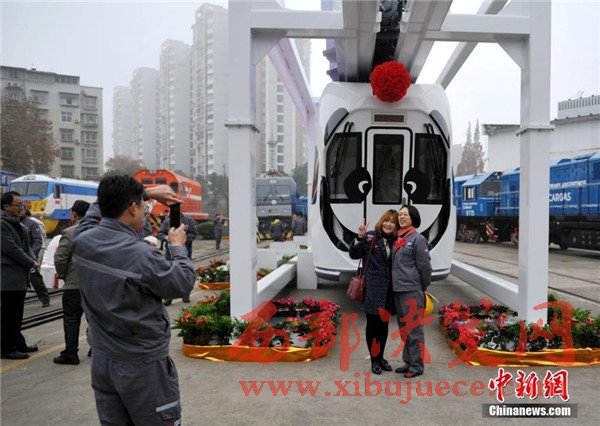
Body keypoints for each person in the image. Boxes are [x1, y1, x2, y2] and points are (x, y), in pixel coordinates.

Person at [71, 176, 195, 425]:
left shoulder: (82, 239)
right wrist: (178, 247)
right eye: (143, 205)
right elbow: (182, 282)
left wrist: (146, 193)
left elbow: (96, 209)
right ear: (132, 209)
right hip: (142, 366)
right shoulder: (142, 256)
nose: (145, 209)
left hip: (103, 359)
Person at [349, 210, 398, 375]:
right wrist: (360, 237)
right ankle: (374, 359)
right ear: (381, 221)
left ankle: (381, 357)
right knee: (373, 325)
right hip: (373, 288)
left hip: (389, 290)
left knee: (384, 326)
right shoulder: (371, 237)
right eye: (386, 221)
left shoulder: (397, 240)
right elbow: (354, 254)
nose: (388, 224)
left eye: (392, 222)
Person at [392, 205, 432, 379]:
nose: (401, 217)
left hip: (411, 291)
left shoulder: (418, 239)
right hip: (398, 290)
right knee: (404, 329)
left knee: (414, 331)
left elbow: (425, 268)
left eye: (405, 215)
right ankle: (408, 361)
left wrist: (421, 287)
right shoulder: (399, 238)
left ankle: (417, 366)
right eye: (400, 214)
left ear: (413, 218)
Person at [1, 191, 40, 359]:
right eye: (18, 204)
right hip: (7, 278)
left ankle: (18, 343)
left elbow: (27, 247)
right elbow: (11, 249)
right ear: (6, 206)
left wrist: (33, 259)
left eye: (22, 204)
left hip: (19, 277)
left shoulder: (20, 225)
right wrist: (30, 262)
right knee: (7, 315)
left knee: (16, 314)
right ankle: (6, 348)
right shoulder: (2, 225)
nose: (21, 207)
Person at [53, 200, 91, 365]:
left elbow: (60, 258)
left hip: (74, 285)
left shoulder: (69, 232)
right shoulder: (98, 231)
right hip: (95, 286)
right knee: (95, 319)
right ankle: (96, 348)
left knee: (71, 319)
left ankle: (71, 353)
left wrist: (63, 275)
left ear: (74, 214)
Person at [158, 211, 197, 305]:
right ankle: (168, 297)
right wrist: (166, 237)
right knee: (168, 275)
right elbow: (160, 234)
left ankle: (185, 295)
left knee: (184, 272)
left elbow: (194, 233)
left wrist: (183, 239)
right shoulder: (167, 221)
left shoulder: (188, 220)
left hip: (184, 252)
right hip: (169, 253)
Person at [21, 209, 51, 307]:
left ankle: (45, 299)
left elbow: (38, 241)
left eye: (22, 208)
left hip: (29, 256)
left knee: (35, 277)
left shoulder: (32, 223)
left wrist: (32, 256)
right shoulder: (9, 223)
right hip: (15, 256)